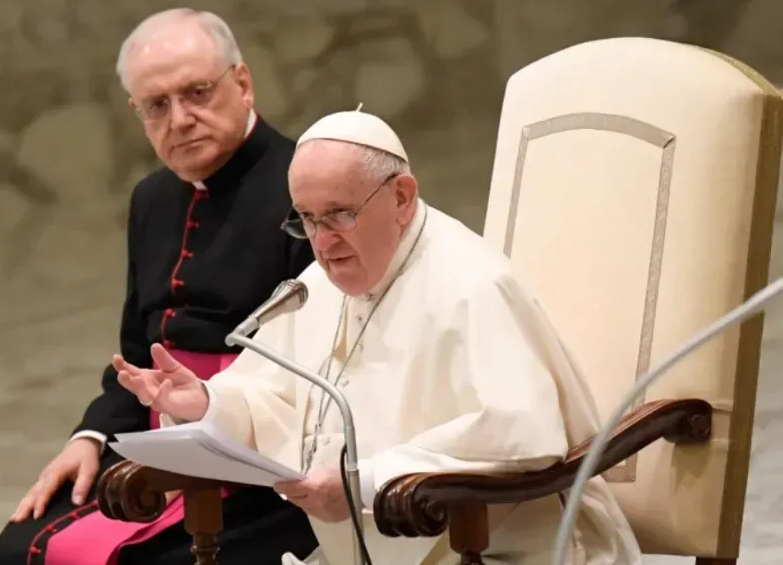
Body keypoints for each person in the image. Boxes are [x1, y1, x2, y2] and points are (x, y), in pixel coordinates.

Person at [113, 109, 644, 564]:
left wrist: (361, 483)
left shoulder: (472, 287)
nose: (322, 243)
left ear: (402, 198)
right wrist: (209, 401)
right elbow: (279, 400)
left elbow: (521, 435)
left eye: (340, 215)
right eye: (306, 220)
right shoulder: (320, 283)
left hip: (495, 550)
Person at [0, 9, 320, 565]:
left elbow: (323, 368)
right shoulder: (152, 200)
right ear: (136, 113)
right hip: (161, 452)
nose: (181, 118)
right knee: (16, 551)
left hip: (267, 466)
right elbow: (139, 354)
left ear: (242, 83)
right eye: (157, 105)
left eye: (197, 93)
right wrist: (90, 437)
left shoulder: (305, 184)